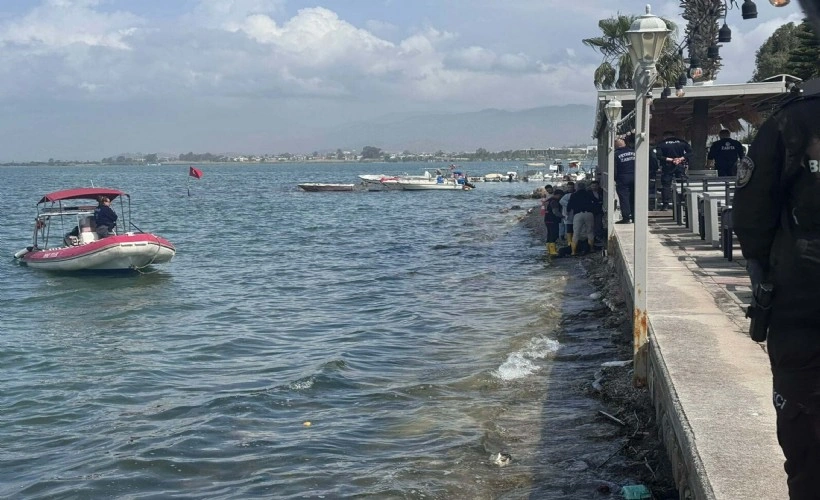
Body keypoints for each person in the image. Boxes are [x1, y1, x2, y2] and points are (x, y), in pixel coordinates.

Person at [732, 74, 820, 498]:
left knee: (808, 449)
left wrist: (770, 274)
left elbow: (752, 218)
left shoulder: (793, 119)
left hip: (804, 307)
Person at [656, 130, 693, 210]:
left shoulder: (661, 144)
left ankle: (665, 205)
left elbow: (658, 156)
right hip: (680, 165)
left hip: (667, 166)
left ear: (665, 136)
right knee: (682, 184)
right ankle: (684, 202)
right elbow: (690, 152)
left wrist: (671, 159)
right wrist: (680, 159)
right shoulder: (682, 142)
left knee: (666, 186)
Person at [566, 181, 596, 256]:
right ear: (585, 187)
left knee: (576, 233)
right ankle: (591, 248)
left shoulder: (573, 195)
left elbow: (569, 206)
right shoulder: (589, 194)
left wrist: (567, 213)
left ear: (577, 187)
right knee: (590, 232)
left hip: (578, 214)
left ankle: (573, 252)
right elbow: (595, 202)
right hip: (589, 214)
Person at [613, 138, 636, 223]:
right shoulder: (634, 152)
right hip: (635, 177)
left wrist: (615, 179)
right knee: (634, 197)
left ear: (616, 145)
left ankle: (626, 218)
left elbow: (614, 169)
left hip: (622, 178)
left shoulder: (616, 154)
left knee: (624, 198)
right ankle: (635, 216)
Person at [544, 188, 563, 256]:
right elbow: (555, 212)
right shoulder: (554, 201)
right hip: (552, 220)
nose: (561, 198)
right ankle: (553, 251)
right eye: (561, 196)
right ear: (558, 195)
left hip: (547, 219)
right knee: (554, 235)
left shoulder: (548, 200)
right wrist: (562, 216)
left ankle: (549, 250)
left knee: (549, 234)